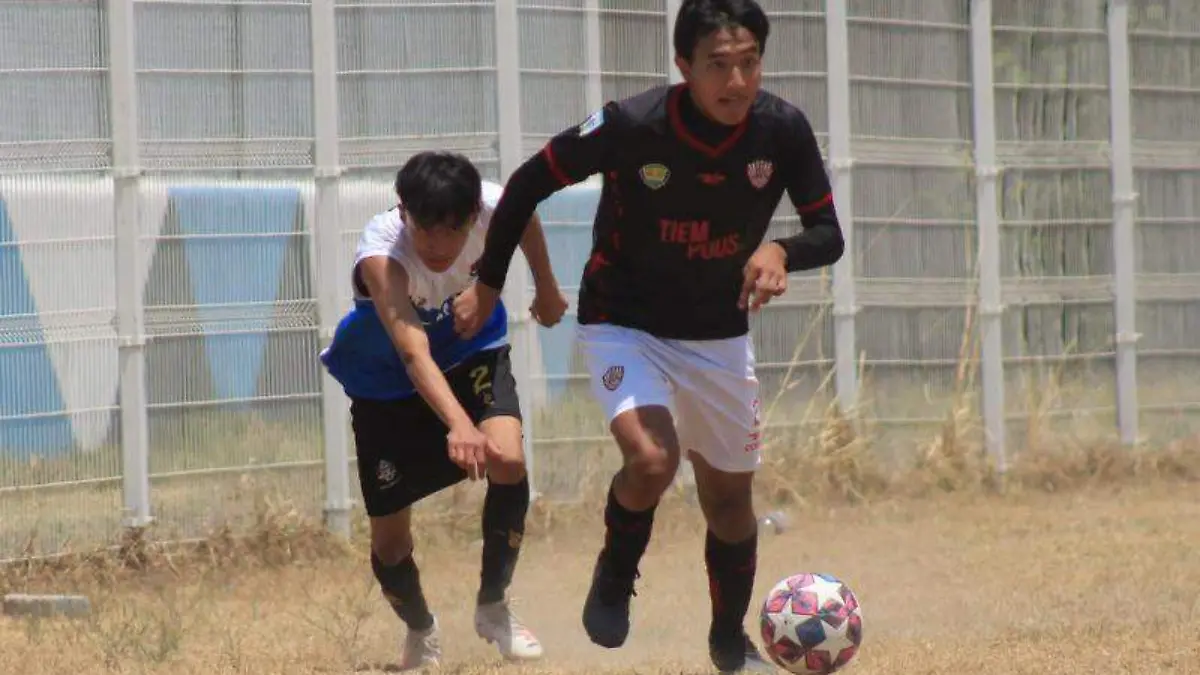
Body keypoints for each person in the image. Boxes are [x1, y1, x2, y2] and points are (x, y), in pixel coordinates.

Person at [450, 1, 845, 672]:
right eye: (718, 65)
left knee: (728, 502)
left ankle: (728, 641)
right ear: (683, 66)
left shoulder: (782, 131)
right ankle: (615, 568)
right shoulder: (633, 125)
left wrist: (781, 252)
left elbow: (827, 233)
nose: (737, 82)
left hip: (717, 335)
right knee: (653, 460)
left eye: (750, 63)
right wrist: (490, 282)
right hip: (622, 322)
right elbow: (525, 184)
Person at [319, 151, 569, 670]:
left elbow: (526, 217)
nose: (438, 245)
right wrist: (458, 424)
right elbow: (412, 352)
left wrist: (545, 284)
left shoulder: (496, 207)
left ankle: (494, 605)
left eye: (453, 230)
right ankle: (420, 629)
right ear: (402, 210)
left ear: (473, 216)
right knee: (390, 544)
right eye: (425, 229)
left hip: (469, 347)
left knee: (508, 460)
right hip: (386, 381)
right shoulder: (381, 257)